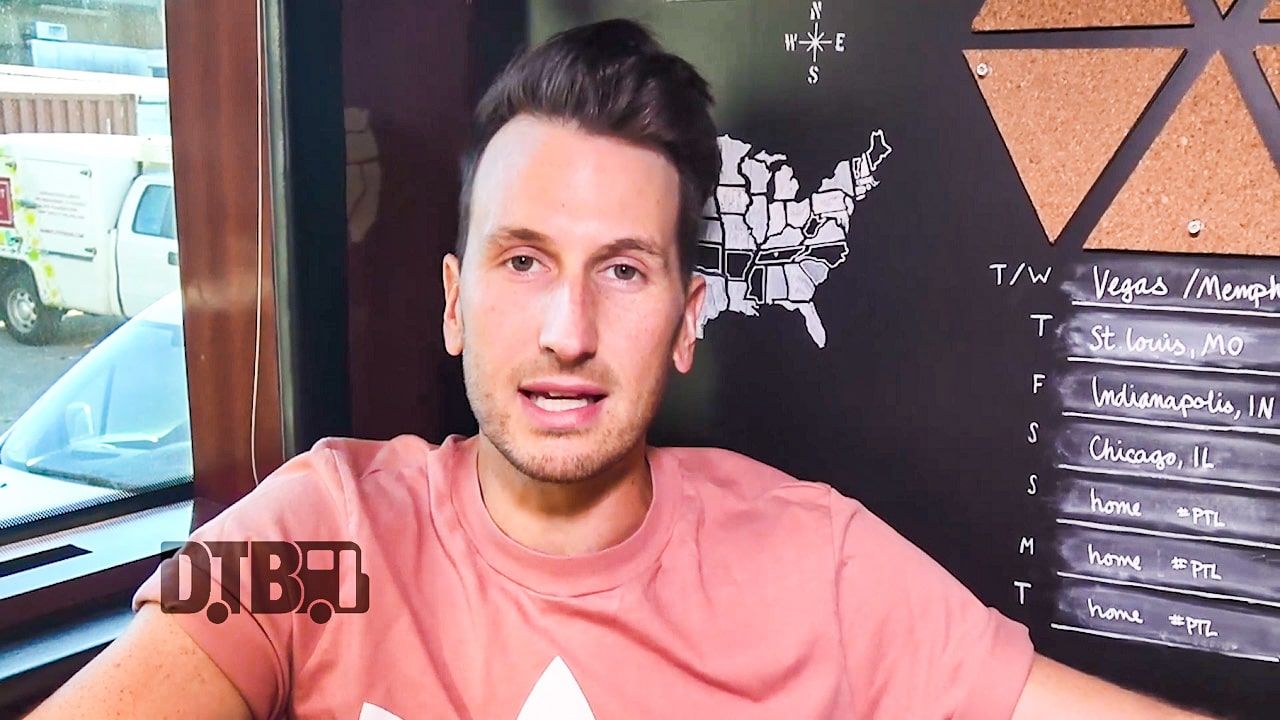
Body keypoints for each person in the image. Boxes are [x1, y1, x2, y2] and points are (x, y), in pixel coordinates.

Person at [30, 19, 1214, 720]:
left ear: (689, 320)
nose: (567, 329)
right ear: (453, 303)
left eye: (624, 271)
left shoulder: (821, 564)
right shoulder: (315, 531)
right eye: (522, 261)